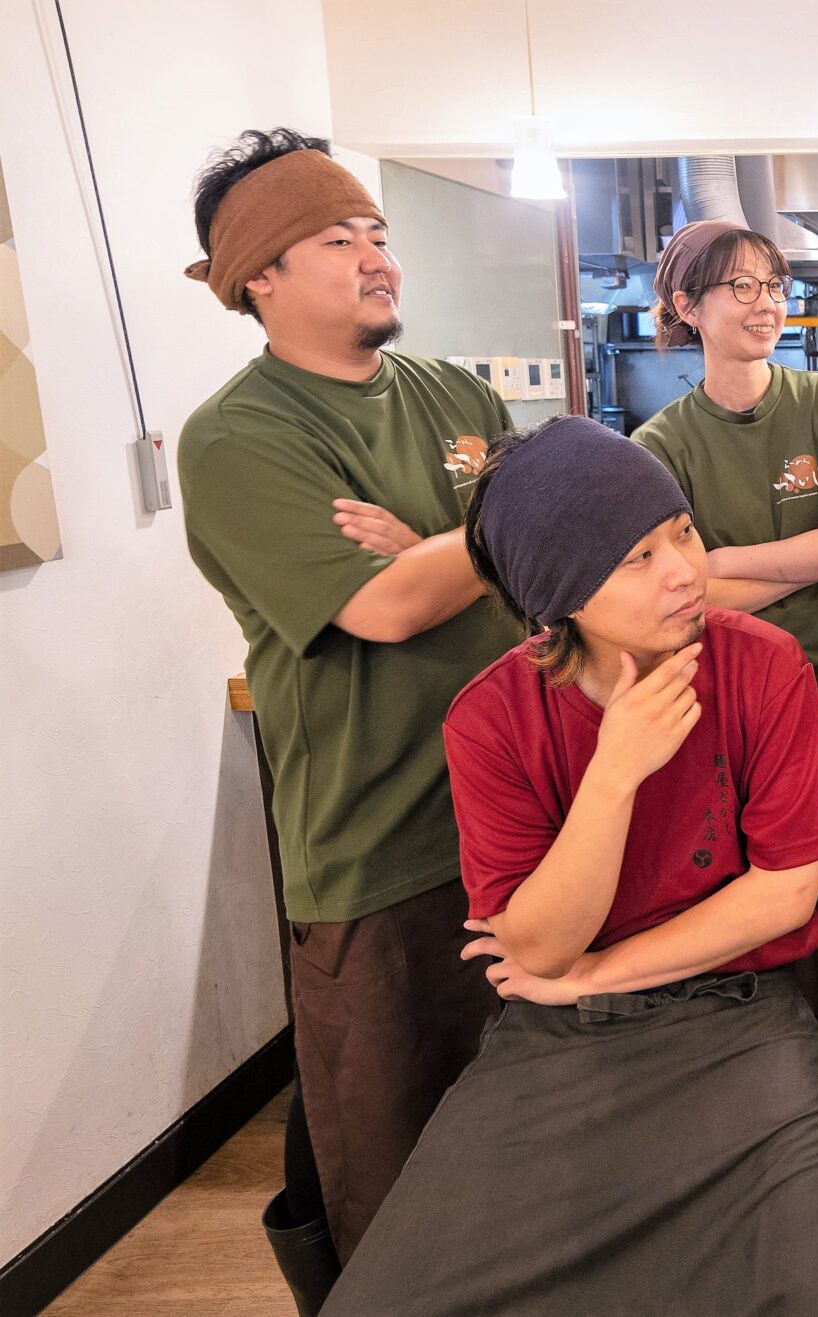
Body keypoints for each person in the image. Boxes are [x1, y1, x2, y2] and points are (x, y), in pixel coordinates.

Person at [322, 416, 818, 1316]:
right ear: (560, 594)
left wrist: (591, 975)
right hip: (558, 1039)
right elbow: (539, 946)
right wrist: (615, 771)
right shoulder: (491, 719)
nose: (685, 570)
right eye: (637, 557)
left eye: (683, 533)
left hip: (739, 1012)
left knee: (808, 1289)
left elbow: (784, 893)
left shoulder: (763, 664)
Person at [177, 128, 515, 1296]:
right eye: (336, 239)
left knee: (518, 1139)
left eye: (378, 232)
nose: (379, 257)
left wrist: (434, 545)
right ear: (258, 276)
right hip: (375, 850)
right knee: (391, 1163)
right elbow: (383, 610)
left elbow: (550, 567)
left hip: (517, 824)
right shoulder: (239, 437)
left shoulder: (455, 394)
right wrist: (482, 535)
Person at [634, 219, 818, 1177]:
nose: (766, 303)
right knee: (724, 899)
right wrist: (773, 566)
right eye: (739, 287)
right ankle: (750, 1133)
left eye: (774, 285)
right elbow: (673, 597)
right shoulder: (661, 442)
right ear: (686, 307)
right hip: (709, 697)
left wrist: (720, 563)